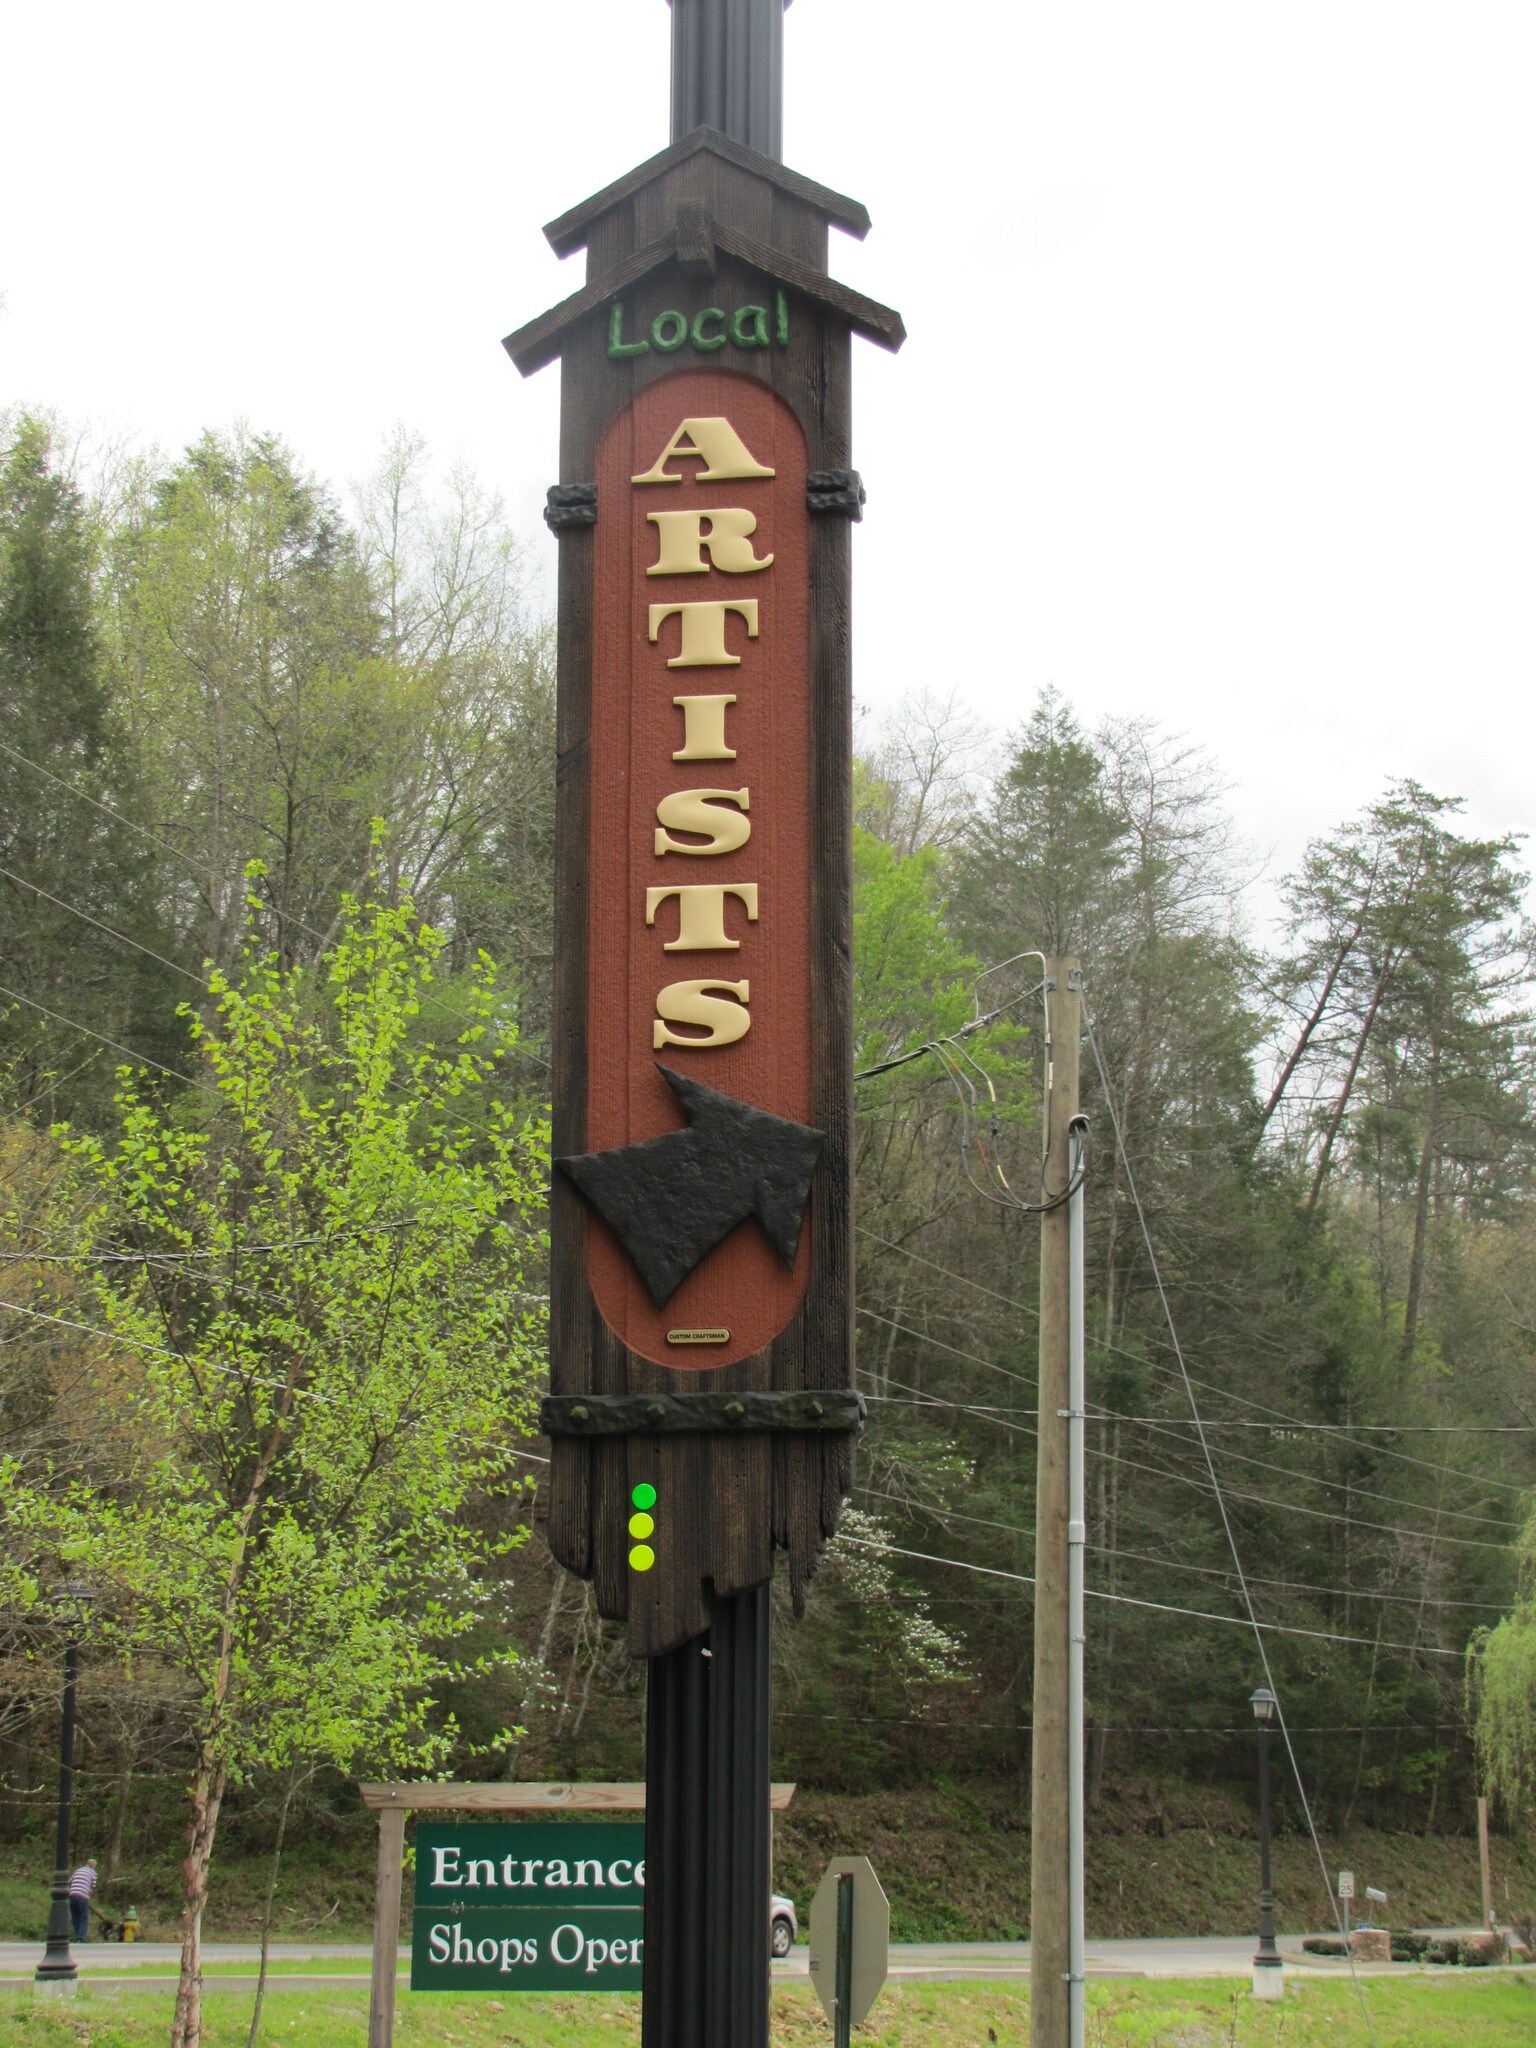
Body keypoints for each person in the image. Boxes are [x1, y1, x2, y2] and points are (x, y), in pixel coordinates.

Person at [67, 1859, 97, 1943]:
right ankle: (80, 1938)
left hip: (72, 1895)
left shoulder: (78, 1870)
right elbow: (92, 1888)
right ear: (94, 1866)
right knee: (83, 1918)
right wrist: (89, 1893)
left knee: (75, 1917)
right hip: (83, 1896)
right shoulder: (93, 1873)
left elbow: (69, 1881)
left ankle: (77, 1935)